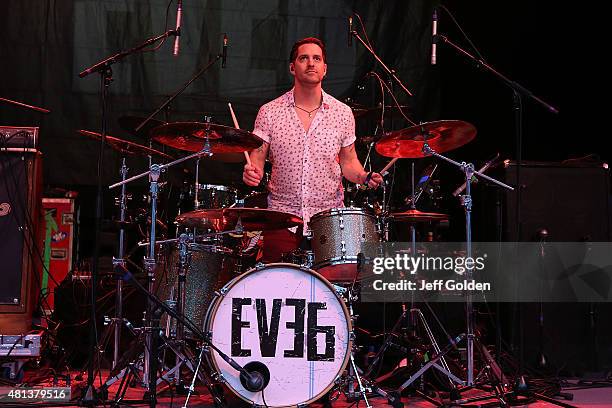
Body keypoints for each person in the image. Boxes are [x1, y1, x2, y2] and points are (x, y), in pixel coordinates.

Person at [243, 37, 383, 262]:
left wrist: (364, 177)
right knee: (278, 287)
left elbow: (349, 163)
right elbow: (257, 157)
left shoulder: (343, 113)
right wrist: (252, 172)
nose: (310, 63)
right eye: (303, 58)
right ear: (292, 67)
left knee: (330, 290)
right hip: (282, 217)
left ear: (325, 69)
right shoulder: (269, 112)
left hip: (328, 220)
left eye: (316, 58)